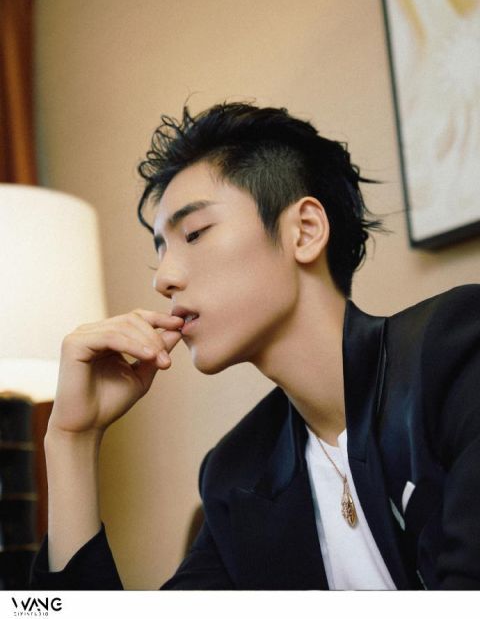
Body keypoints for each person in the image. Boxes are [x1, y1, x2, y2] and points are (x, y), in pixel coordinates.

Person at [30, 102, 480, 590]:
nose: (164, 279)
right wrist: (72, 440)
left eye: (194, 233)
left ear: (305, 231)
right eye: (161, 251)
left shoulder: (455, 352)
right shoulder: (239, 472)